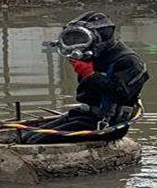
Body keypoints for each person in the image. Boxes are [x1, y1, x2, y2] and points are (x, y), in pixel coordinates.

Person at [25, 12, 149, 145]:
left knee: (36, 141)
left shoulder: (129, 61)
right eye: (72, 39)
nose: (77, 46)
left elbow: (121, 94)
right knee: (28, 135)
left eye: (81, 39)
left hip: (108, 123)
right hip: (84, 115)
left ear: (98, 38)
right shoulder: (93, 56)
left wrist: (91, 75)